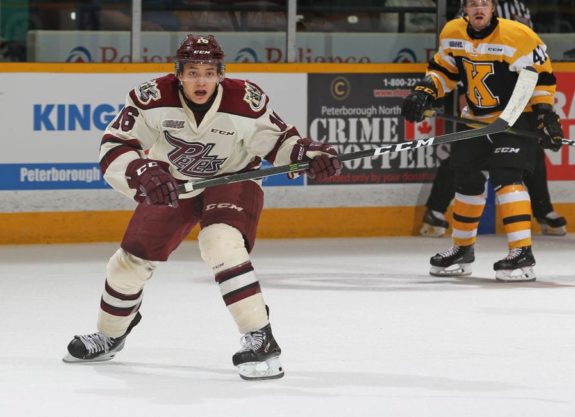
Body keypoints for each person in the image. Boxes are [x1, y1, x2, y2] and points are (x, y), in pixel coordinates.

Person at [62, 34, 342, 380]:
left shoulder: (245, 100)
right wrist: (140, 169)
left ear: (220, 75)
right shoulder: (150, 97)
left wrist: (309, 155)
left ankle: (260, 338)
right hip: (173, 183)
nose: (201, 81)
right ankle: (109, 335)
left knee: (220, 242)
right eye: (192, 72)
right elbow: (115, 143)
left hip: (234, 178)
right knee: (129, 262)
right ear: (178, 73)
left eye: (209, 73)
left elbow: (281, 142)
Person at [401, 0, 565, 282]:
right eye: (474, 4)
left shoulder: (518, 36)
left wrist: (544, 113)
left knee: (507, 177)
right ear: (464, 9)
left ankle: (521, 252)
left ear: (493, 8)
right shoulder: (453, 32)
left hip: (514, 118)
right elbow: (444, 70)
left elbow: (540, 77)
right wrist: (425, 91)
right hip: (475, 119)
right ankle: (462, 250)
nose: (479, 9)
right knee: (466, 180)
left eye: (485, 4)